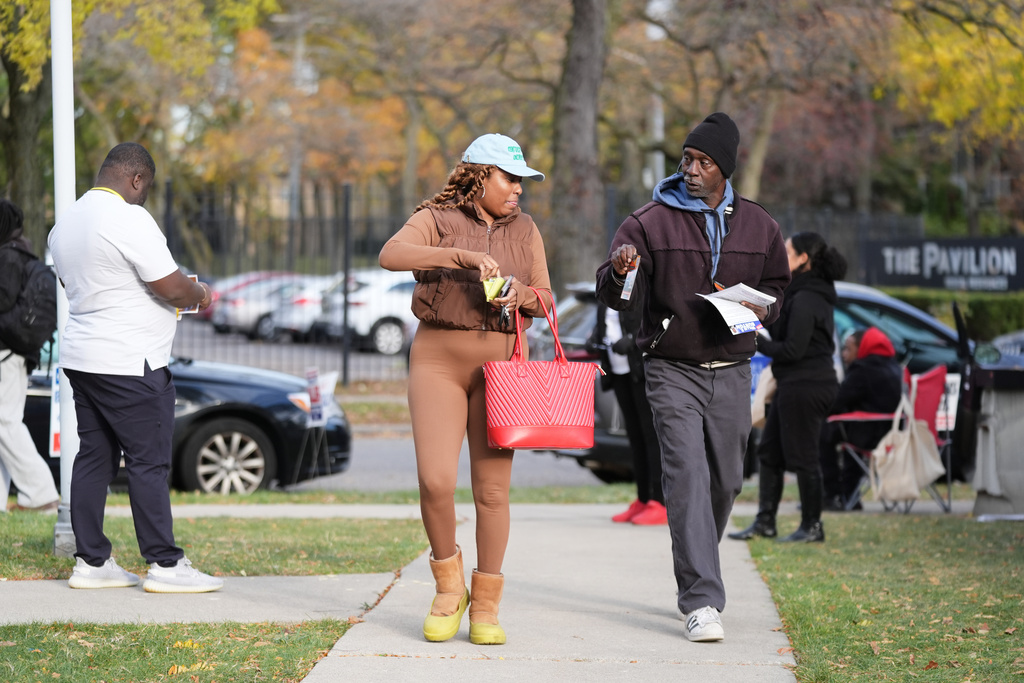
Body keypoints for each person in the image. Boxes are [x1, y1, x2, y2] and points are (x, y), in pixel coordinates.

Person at [595, 112, 791, 642]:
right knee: (684, 478)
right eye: (687, 159)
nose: (692, 169)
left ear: (725, 168)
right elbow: (614, 296)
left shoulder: (760, 225)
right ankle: (702, 599)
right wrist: (620, 272)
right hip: (670, 368)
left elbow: (777, 289)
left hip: (732, 370)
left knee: (726, 480)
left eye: (703, 161)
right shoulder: (646, 223)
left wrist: (755, 308)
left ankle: (699, 553)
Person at [379, 133, 552, 645]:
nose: (518, 189)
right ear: (479, 175)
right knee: (435, 481)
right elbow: (392, 254)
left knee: (492, 492)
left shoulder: (526, 230)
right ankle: (448, 589)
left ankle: (488, 606)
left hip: (501, 364)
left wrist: (519, 295)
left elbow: (544, 297)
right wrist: (460, 256)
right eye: (509, 178)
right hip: (438, 359)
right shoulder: (437, 217)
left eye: (522, 180)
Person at [47, 142, 223, 593]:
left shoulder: (65, 223)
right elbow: (170, 286)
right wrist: (200, 293)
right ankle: (165, 565)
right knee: (148, 462)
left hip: (84, 357)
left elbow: (78, 286)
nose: (145, 195)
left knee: (94, 458)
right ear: (136, 179)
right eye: (146, 187)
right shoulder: (128, 217)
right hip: (130, 361)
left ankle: (92, 562)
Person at [729, 232, 847, 544]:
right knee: (769, 451)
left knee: (804, 456)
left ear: (804, 259)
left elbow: (793, 349)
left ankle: (812, 526)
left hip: (809, 384)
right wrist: (757, 315)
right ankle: (765, 521)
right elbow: (782, 330)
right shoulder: (797, 293)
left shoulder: (809, 298)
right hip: (793, 382)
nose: (781, 255)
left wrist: (759, 340)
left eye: (788, 251)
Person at [0, 199, 61, 514]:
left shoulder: (8, 256)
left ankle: (41, 494)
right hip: (13, 351)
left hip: (6, 353)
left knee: (6, 422)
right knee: (3, 424)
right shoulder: (18, 252)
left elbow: (3, 299)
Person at [587, 305, 666, 524]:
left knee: (651, 437)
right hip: (619, 371)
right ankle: (643, 499)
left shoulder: (640, 282)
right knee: (635, 437)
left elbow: (658, 320)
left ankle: (660, 502)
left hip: (641, 370)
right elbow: (608, 322)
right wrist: (595, 335)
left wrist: (632, 339)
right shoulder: (608, 286)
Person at [820, 327, 905, 510]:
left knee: (823, 431)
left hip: (870, 433)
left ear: (862, 348)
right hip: (893, 432)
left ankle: (832, 494)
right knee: (843, 429)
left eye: (848, 349)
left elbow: (837, 401)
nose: (843, 354)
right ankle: (850, 496)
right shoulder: (892, 365)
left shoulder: (863, 369)